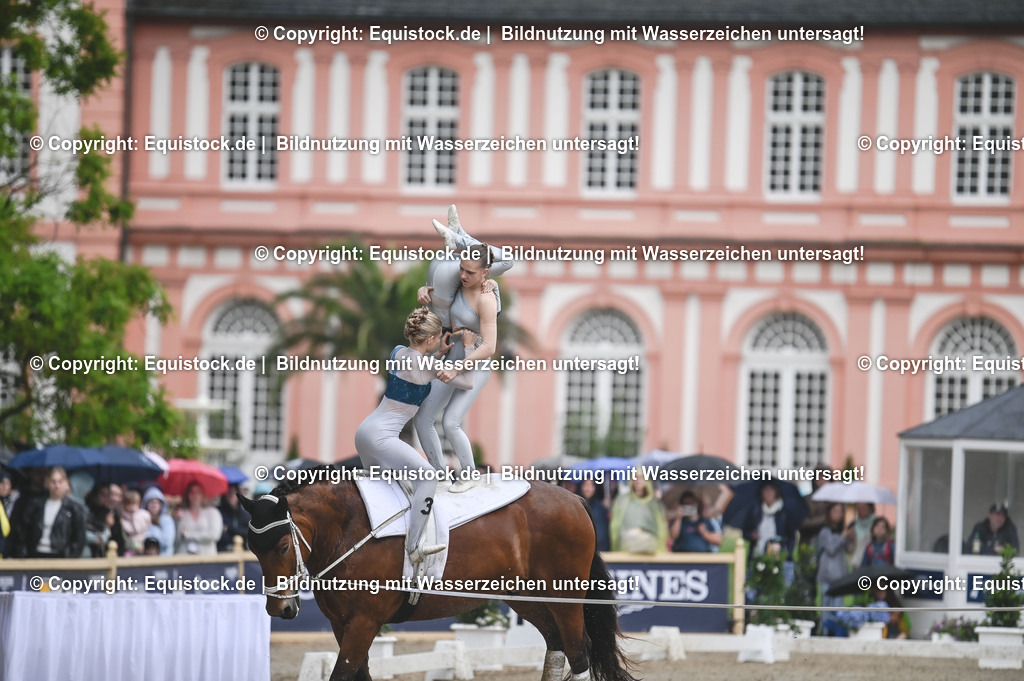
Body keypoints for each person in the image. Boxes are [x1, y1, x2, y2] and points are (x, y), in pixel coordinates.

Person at [355, 307, 476, 564]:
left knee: (385, 493)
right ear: (431, 339)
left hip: (365, 432)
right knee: (429, 478)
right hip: (383, 437)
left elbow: (417, 371)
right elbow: (467, 382)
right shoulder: (428, 365)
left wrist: (439, 353)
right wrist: (468, 348)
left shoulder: (398, 352)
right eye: (436, 338)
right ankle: (414, 546)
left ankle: (376, 546)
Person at [415, 235, 506, 492]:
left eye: (470, 272)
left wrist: (457, 366)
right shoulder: (458, 283)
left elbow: (489, 346)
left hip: (475, 364)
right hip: (452, 355)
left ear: (485, 273)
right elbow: (439, 298)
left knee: (451, 422)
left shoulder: (487, 299)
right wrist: (425, 290)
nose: (463, 275)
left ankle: (469, 474)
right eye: (461, 269)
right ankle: (439, 474)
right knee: (423, 417)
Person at [7, 467, 86, 558]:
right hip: (36, 554)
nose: (57, 486)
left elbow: (79, 538)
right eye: (53, 482)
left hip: (61, 556)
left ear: (66, 483)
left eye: (60, 482)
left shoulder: (74, 508)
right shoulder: (36, 505)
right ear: (47, 483)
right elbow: (23, 532)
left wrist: (70, 556)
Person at [609, 474, 669, 554]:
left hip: (650, 549)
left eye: (641, 478)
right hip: (627, 548)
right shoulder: (622, 501)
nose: (638, 480)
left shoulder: (654, 504)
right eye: (635, 478)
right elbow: (615, 525)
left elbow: (661, 527)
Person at [817, 503, 849, 636]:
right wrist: (843, 537)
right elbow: (831, 548)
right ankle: (825, 632)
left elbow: (849, 551)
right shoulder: (825, 531)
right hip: (826, 575)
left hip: (840, 576)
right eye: (835, 511)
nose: (838, 514)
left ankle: (836, 633)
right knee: (826, 607)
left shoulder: (844, 531)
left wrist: (850, 538)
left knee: (838, 608)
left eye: (840, 511)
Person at [743, 482, 795, 557]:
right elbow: (745, 533)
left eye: (771, 491)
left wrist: (787, 553)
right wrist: (752, 535)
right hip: (758, 551)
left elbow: (791, 537)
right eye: (765, 491)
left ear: (776, 493)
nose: (768, 494)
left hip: (778, 553)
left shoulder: (784, 512)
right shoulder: (755, 511)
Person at [175, 481, 224, 555]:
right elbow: (177, 540)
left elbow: (214, 535)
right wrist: (178, 521)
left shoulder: (213, 512)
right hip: (184, 557)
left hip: (206, 557)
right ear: (187, 495)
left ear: (203, 495)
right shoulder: (182, 513)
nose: (195, 496)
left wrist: (188, 535)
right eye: (192, 492)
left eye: (198, 492)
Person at [578, 479, 611, 552]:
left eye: (591, 485)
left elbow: (604, 532)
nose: (588, 488)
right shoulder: (576, 507)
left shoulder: (601, 508)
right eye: (586, 485)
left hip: (600, 550)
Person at [142, 486, 176, 555]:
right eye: (151, 502)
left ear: (161, 505)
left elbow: (168, 541)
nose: (154, 504)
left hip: (164, 560)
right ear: (146, 504)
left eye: (157, 502)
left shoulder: (167, 520)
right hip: (144, 559)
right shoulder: (141, 518)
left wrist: (152, 541)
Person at [217, 483, 251, 552]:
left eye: (234, 492)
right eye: (229, 492)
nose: (231, 495)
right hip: (221, 553)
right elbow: (218, 536)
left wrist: (230, 529)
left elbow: (249, 534)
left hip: (242, 553)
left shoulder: (245, 515)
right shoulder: (218, 512)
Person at [119, 488, 151, 555]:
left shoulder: (141, 515)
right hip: (130, 541)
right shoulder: (124, 514)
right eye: (129, 505)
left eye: (134, 504)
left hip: (140, 540)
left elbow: (136, 529)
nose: (132, 507)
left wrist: (124, 523)